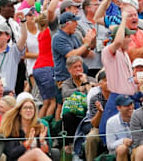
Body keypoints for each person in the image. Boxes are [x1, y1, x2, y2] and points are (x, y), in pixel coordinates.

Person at [100, 8, 137, 140]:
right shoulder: (108, 51)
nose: (130, 40)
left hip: (130, 98)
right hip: (117, 99)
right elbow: (118, 42)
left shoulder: (125, 54)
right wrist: (123, 21)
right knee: (112, 137)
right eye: (127, 37)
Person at [52, 12, 96, 85]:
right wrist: (86, 44)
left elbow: (84, 54)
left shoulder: (74, 36)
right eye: (74, 21)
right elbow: (71, 55)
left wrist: (91, 41)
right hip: (65, 79)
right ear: (67, 24)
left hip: (80, 77)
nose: (77, 24)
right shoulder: (58, 38)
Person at [32, 13, 56, 118]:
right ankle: (46, 127)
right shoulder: (48, 33)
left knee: (46, 101)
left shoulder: (40, 35)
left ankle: (39, 123)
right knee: (53, 101)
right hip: (47, 67)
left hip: (37, 68)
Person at [85, 70, 109, 161]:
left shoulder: (117, 96)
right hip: (100, 127)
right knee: (91, 138)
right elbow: (94, 124)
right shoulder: (95, 99)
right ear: (100, 84)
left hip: (116, 126)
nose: (109, 83)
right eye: (106, 80)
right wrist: (100, 112)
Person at [106, 95, 134, 160]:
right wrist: (122, 141)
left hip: (137, 149)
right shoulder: (111, 122)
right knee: (122, 149)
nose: (131, 107)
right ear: (118, 108)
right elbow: (110, 145)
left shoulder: (139, 116)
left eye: (131, 104)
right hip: (119, 153)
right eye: (126, 105)